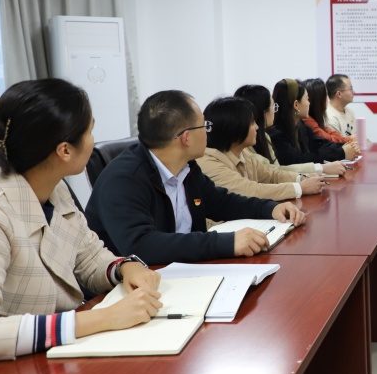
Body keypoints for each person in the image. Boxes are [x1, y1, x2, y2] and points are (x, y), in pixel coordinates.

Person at [0, 79, 162, 367]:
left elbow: (89, 259)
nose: (93, 140)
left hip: (56, 356)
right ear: (65, 151)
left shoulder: (55, 187)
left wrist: (126, 267)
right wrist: (102, 318)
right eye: (90, 131)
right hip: (9, 372)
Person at [86, 90, 305, 265]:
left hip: (184, 269)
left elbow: (221, 202)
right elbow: (141, 245)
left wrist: (270, 208)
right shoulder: (123, 180)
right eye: (205, 126)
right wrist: (226, 243)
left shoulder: (186, 167)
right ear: (186, 137)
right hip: (133, 286)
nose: (208, 132)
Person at [198, 96, 325, 201]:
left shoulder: (242, 152)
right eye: (252, 123)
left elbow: (271, 175)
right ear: (235, 127)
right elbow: (250, 190)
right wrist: (300, 188)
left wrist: (301, 178)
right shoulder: (209, 162)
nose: (257, 127)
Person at [233, 84, 346, 178]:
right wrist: (321, 168)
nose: (275, 111)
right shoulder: (274, 134)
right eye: (273, 106)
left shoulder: (266, 135)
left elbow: (276, 170)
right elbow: (276, 171)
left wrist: (344, 146)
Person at [270, 79, 355, 166]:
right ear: (296, 105)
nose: (309, 103)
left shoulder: (301, 125)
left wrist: (346, 146)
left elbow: (320, 143)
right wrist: (341, 152)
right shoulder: (276, 134)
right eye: (307, 99)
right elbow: (299, 160)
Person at [303, 78, 354, 144]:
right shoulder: (307, 120)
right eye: (326, 95)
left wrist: (347, 139)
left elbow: (331, 132)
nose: (328, 99)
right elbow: (327, 139)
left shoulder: (349, 111)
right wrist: (349, 139)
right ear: (318, 99)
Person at [326, 74, 358, 140]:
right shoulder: (329, 117)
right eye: (350, 89)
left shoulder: (349, 112)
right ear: (339, 94)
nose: (354, 92)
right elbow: (337, 144)